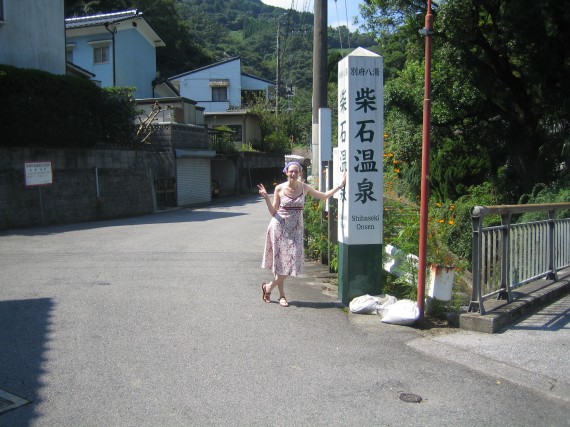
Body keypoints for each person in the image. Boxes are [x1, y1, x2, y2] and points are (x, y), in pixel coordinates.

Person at [257, 161, 346, 307]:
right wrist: (267, 197)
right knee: (280, 263)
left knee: (292, 262)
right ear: (286, 172)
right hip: (279, 228)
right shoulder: (279, 188)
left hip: (296, 230)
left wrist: (340, 186)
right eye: (291, 171)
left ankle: (268, 287)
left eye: (296, 171)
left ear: (300, 173)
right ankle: (282, 296)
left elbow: (323, 196)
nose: (293, 174)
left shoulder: (304, 188)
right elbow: (274, 212)